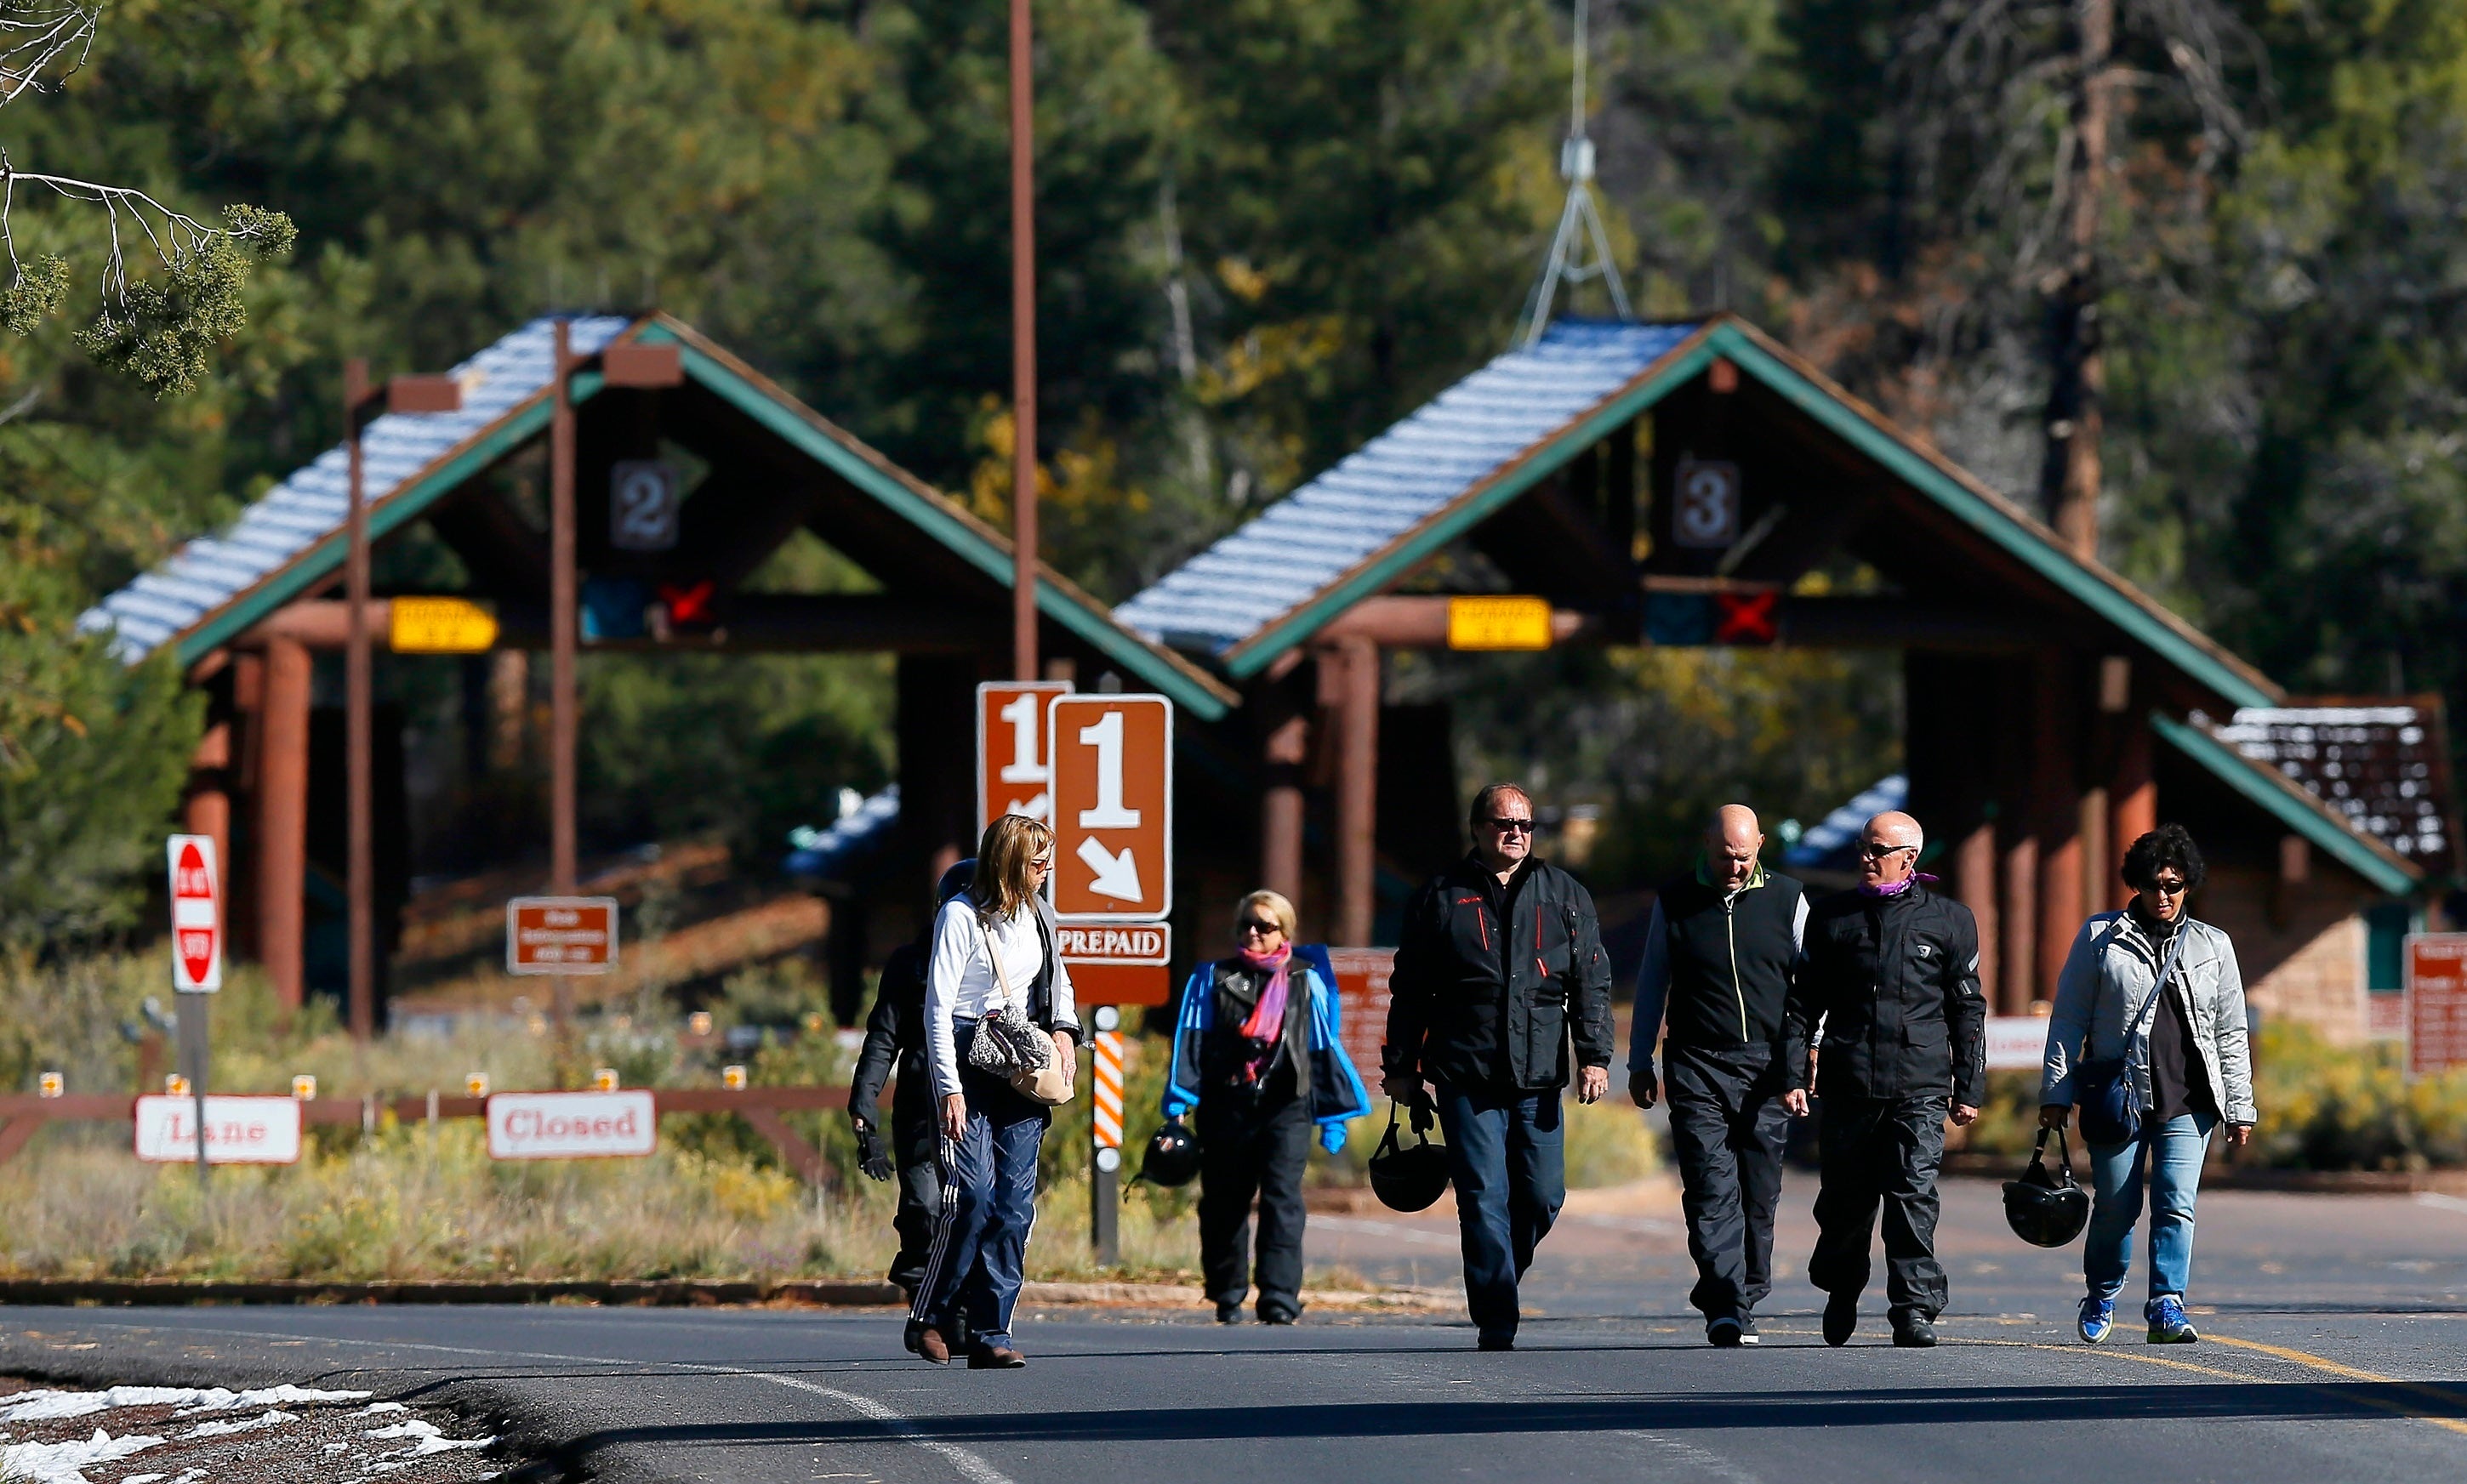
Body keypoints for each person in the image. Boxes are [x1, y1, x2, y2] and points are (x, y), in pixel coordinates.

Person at [1385, 782, 1614, 1351]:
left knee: (1542, 1195)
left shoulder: (1564, 895)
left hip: (1539, 1075)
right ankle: (1496, 1313)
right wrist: (1401, 1064)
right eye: (1505, 823)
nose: (1517, 832)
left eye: (1526, 825)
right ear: (1479, 828)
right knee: (1482, 1192)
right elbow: (1410, 989)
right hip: (1466, 1073)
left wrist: (1595, 1055)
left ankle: (1500, 1270)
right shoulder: (1440, 896)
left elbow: (1592, 981)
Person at [2040, 824, 2256, 1345]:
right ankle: (2102, 1290)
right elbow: (2069, 1018)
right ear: (2135, 883)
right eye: (2153, 883)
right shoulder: (2100, 937)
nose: (2163, 896)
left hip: (2190, 1096)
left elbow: (2231, 1029)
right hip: (2120, 1094)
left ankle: (2166, 1303)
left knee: (2176, 1202)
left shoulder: (2213, 945)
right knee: (2115, 1204)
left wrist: (2240, 1105)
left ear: (2188, 886)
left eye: (2174, 885)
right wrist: (2055, 1094)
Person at [1784, 810, 1985, 1349]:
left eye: (1879, 850)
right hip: (1849, 1082)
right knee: (1845, 1203)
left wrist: (1969, 1087)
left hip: (1919, 1084)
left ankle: (1914, 1307)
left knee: (1912, 1194)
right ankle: (1842, 1288)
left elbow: (1968, 1010)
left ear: (1909, 858)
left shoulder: (1949, 921)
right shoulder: (1832, 919)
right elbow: (1803, 1003)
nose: (1867, 859)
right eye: (1863, 848)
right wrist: (1794, 1072)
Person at [1630, 805, 1809, 1347]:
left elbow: (1812, 985)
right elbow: (1652, 981)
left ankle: (1745, 1289)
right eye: (1725, 855)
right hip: (1696, 1062)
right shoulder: (1676, 900)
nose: (1735, 866)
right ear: (1707, 845)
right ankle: (1728, 1304)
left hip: (1768, 1067)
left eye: (1745, 855)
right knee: (1710, 1187)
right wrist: (1639, 1060)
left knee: (1759, 1190)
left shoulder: (1789, 899)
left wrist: (1808, 1056)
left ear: (1761, 846)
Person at [911, 816, 1080, 1368]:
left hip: (1015, 1054)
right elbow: (937, 1009)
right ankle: (931, 1314)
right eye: (1037, 862)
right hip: (964, 1051)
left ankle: (992, 1329)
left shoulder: (1039, 913)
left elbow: (1058, 980)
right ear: (1009, 861)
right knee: (973, 1195)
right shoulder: (959, 915)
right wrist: (948, 1089)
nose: (1046, 871)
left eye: (1048, 861)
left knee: (1013, 1205)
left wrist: (1064, 1032)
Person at [1162, 889, 1372, 1325]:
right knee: (1225, 1200)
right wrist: (1180, 1100)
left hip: (1286, 1106)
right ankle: (1227, 1292)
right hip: (1226, 1105)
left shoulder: (1305, 979)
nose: (1254, 932)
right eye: (1247, 925)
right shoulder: (1211, 978)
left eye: (1265, 925)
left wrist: (1332, 1114)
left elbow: (1322, 1047)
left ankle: (1279, 1296)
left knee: (1282, 1199)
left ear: (1285, 933)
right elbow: (1191, 1040)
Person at [848, 858, 975, 1339]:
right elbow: (883, 1038)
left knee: (972, 1207)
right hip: (922, 1108)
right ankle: (928, 1312)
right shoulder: (911, 962)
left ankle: (962, 1313)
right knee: (924, 1208)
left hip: (981, 1105)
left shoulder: (1001, 958)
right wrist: (864, 1111)